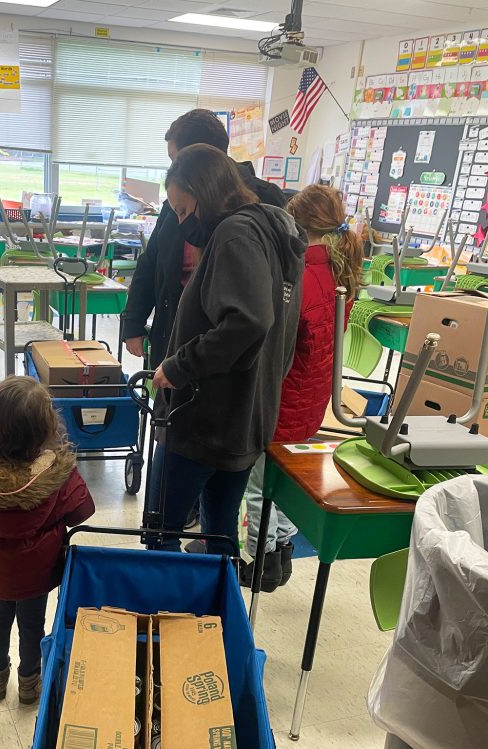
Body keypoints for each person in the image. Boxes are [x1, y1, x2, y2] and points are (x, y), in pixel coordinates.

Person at [147, 144, 305, 555]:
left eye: (183, 210)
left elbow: (250, 321)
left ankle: (163, 615)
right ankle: (211, 618)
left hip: (203, 419)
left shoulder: (235, 234)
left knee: (160, 532)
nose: (182, 224)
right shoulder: (273, 232)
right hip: (244, 417)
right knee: (219, 534)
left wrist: (180, 366)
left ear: (206, 192)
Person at [0, 376, 95, 705]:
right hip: (36, 574)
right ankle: (29, 684)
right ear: (45, 428)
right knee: (32, 625)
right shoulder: (54, 474)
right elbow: (82, 511)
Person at [241, 185, 364, 590]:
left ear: (297, 222)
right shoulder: (339, 269)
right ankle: (283, 551)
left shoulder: (297, 274)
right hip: (313, 398)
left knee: (260, 487)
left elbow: (276, 343)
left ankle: (262, 564)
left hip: (284, 398)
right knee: (289, 482)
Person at [121, 108, 286, 372]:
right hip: (177, 330)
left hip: (228, 354)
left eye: (176, 159)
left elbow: (258, 311)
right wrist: (133, 321)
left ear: (201, 158)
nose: (173, 169)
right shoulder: (177, 200)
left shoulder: (260, 204)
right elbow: (152, 261)